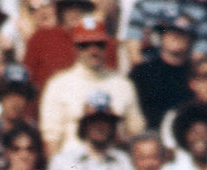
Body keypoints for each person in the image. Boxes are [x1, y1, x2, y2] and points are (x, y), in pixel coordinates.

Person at [37, 16, 144, 159]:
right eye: (85, 45)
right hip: (72, 164)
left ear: (106, 45)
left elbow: (137, 133)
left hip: (114, 164)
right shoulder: (59, 84)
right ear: (75, 48)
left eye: (99, 44)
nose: (93, 51)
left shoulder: (123, 84)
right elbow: (51, 140)